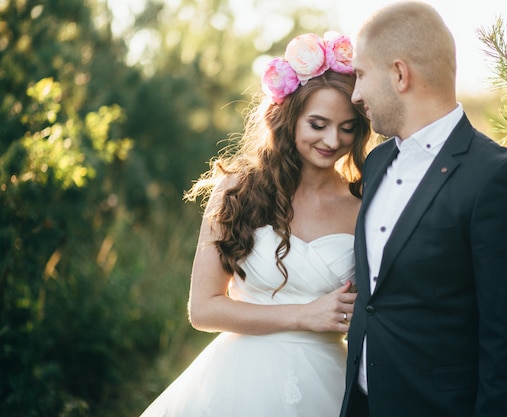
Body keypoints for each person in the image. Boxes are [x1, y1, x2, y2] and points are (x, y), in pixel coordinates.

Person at [139, 32, 372, 417]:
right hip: (237, 381)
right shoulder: (238, 191)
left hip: (327, 382)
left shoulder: (364, 205)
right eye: (318, 124)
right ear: (290, 117)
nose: (333, 140)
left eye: (348, 127)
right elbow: (203, 310)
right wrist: (304, 315)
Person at [339, 2, 507, 417]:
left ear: (400, 74)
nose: (355, 94)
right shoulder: (377, 163)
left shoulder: (500, 180)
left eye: (360, 75)